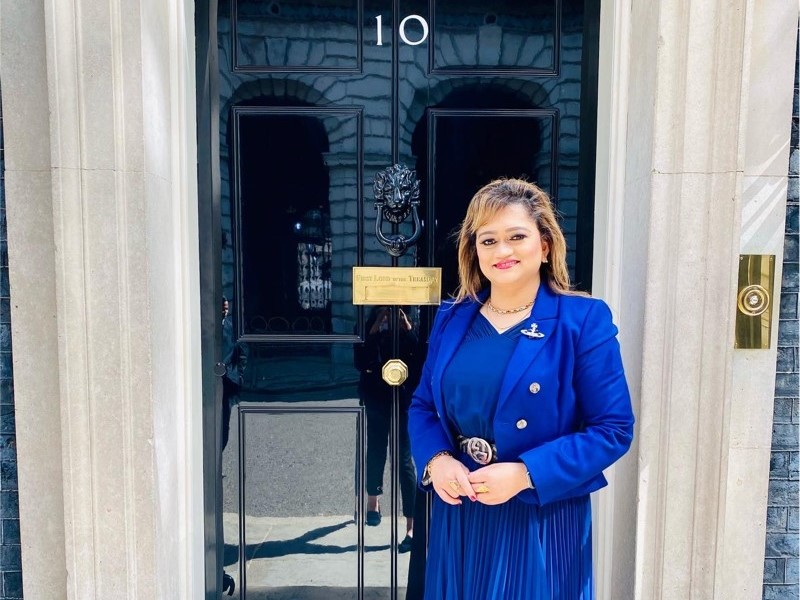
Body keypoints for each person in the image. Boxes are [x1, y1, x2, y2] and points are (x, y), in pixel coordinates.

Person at [407, 178, 635, 599]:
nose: (502, 251)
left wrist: (526, 474)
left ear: (544, 245)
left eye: (516, 236)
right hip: (462, 511)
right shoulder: (452, 318)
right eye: (488, 240)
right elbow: (423, 405)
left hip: (539, 515)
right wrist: (437, 460)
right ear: (475, 251)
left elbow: (613, 429)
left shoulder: (582, 320)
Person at [354, 306, 421, 553]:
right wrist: (374, 327)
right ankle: (373, 500)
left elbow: (420, 361)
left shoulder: (412, 326)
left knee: (404, 461)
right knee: (376, 450)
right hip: (376, 398)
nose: (390, 313)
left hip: (403, 401)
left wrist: (408, 329)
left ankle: (411, 525)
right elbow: (361, 362)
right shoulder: (367, 327)